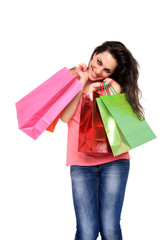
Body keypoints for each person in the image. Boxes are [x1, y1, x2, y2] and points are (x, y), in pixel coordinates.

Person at [60, 41, 144, 240]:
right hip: (80, 163)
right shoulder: (73, 78)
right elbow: (65, 117)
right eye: (97, 62)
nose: (97, 70)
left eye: (106, 70)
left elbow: (118, 126)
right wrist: (82, 87)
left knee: (109, 229)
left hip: (114, 162)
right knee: (87, 232)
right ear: (94, 54)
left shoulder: (112, 86)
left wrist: (110, 91)